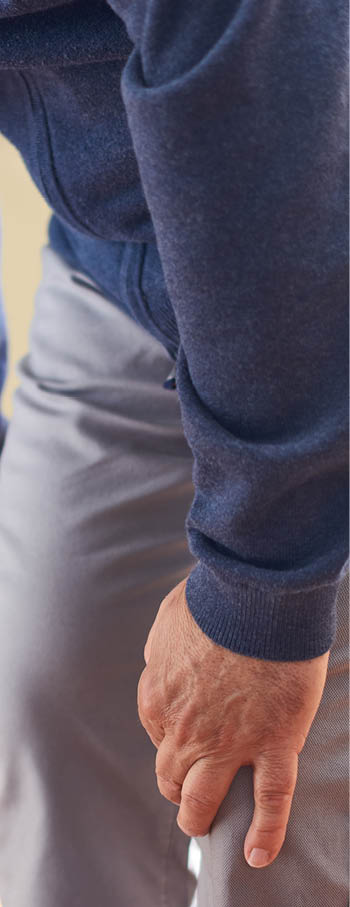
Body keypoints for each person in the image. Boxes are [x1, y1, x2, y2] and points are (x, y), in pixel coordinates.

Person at [0, 1, 348, 905]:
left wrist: (261, 591)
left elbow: (277, 127)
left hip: (322, 251)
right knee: (43, 683)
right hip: (122, 265)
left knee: (268, 808)